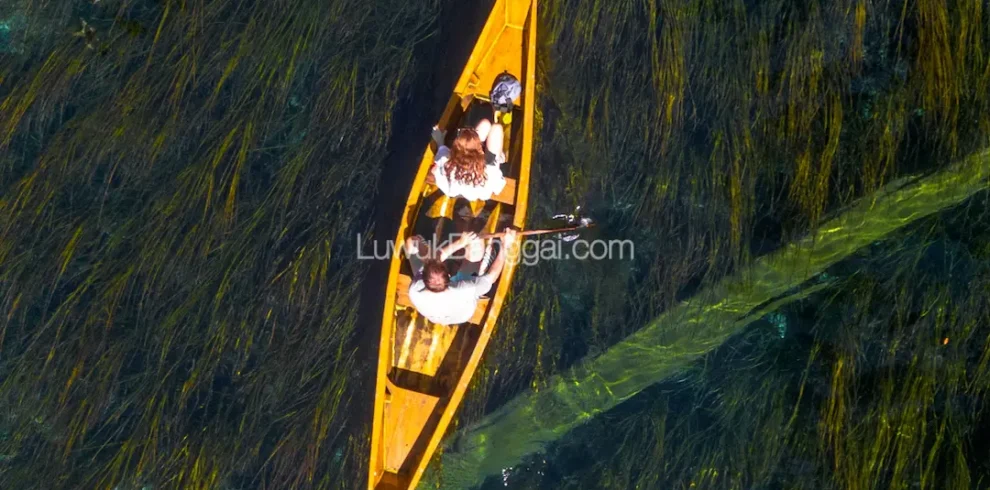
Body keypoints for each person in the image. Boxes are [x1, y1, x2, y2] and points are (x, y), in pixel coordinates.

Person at [404, 228, 518, 325]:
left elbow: (435, 259)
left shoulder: (415, 289)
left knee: (411, 243)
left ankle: (431, 252)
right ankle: (481, 265)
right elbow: (492, 275)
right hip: (463, 315)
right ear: (449, 276)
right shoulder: (466, 289)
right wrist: (505, 246)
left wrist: (461, 242)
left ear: (424, 278)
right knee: (477, 242)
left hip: (435, 317)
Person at [430, 119, 507, 201]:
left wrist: (440, 140)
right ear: (480, 150)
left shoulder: (446, 162)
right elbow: (498, 188)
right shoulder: (489, 171)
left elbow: (436, 168)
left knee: (485, 124)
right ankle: (500, 155)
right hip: (486, 165)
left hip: (462, 187)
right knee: (496, 128)